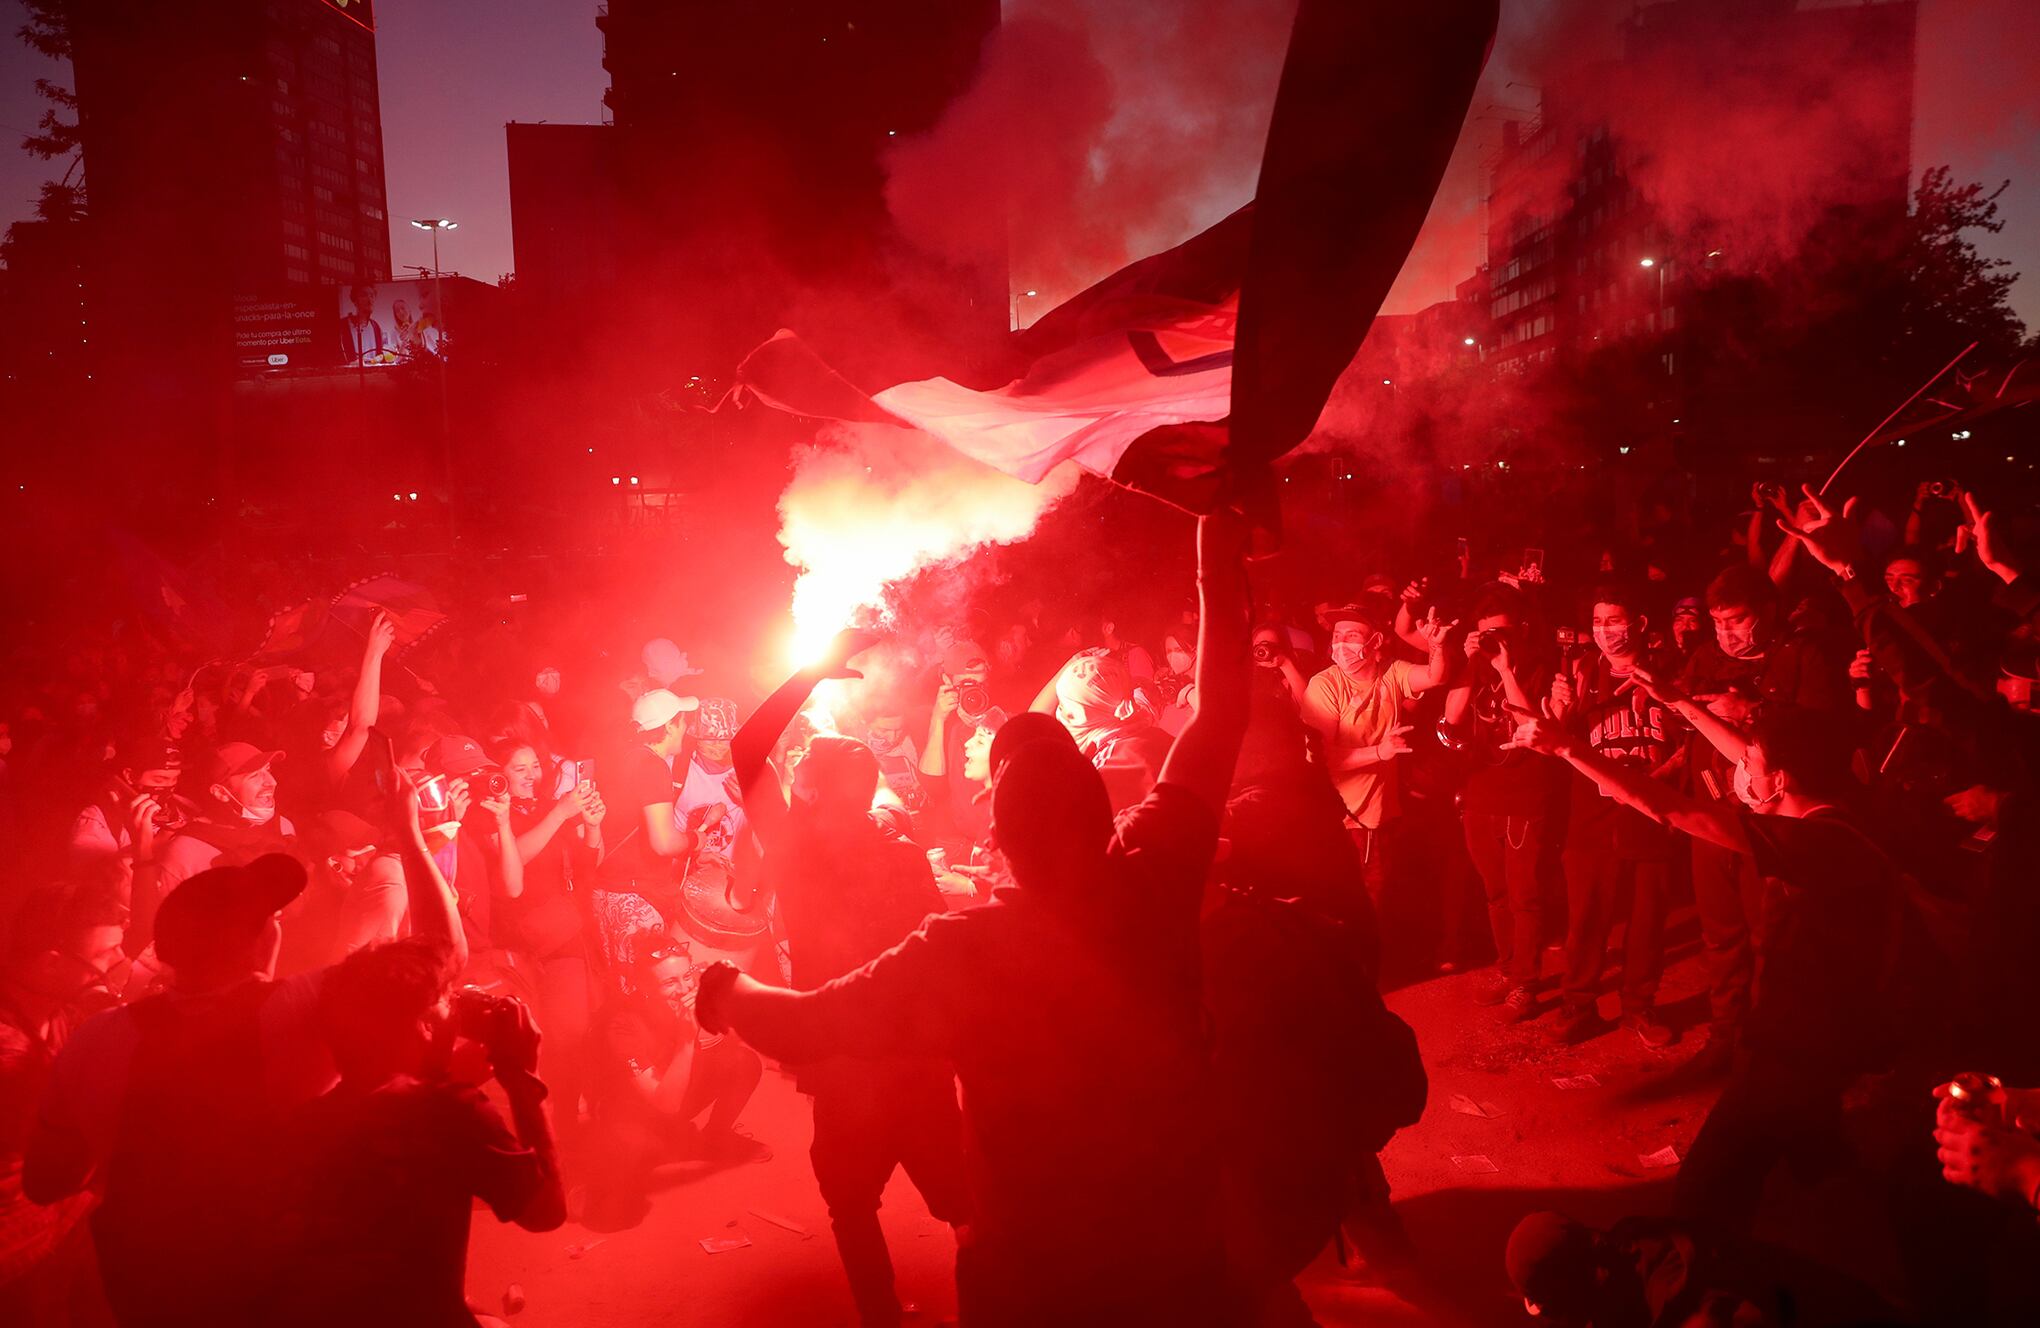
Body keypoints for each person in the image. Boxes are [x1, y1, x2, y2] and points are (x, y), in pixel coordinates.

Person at [697, 506, 1253, 1326]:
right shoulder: (1156, 875)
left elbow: (810, 1024)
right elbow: (1219, 714)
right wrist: (1218, 549)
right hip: (1176, 1246)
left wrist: (724, 990)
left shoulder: (959, 947)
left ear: (995, 837)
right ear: (1105, 815)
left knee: (875, 1207)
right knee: (942, 1203)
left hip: (1034, 1270)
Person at [25, 762, 466, 1326]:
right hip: (273, 1281)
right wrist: (409, 837)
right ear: (260, 938)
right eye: (269, 914)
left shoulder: (96, 1039)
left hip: (149, 1284)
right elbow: (443, 956)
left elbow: (47, 1180)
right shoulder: (296, 1012)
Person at [1511, 703, 1901, 1237]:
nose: (1739, 769)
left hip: (1801, 1043)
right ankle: (1873, 1227)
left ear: (1780, 779)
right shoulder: (1836, 812)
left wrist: (1567, 748)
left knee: (1707, 1188)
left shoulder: (1816, 844)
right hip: (1808, 1034)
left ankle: (1709, 1283)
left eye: (1751, 762)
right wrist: (1680, 700)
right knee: (1817, 1150)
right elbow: (1744, 755)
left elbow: (1667, 809)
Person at [730, 650, 969, 1327]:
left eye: (802, 766)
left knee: (851, 1205)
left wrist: (809, 672)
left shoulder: (793, 849)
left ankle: (881, 1316)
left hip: (844, 1060)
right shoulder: (902, 855)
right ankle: (995, 1298)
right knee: (964, 1203)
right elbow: (936, 955)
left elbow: (747, 748)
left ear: (804, 791)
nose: (795, 767)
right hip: (916, 1054)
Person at [283, 939, 565, 1326]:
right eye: (448, 999)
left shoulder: (305, 1123)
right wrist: (523, 1081)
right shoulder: (451, 1111)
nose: (460, 1011)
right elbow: (545, 1212)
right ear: (424, 1025)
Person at [1674, 562, 1843, 1067]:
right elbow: (1687, 724)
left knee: (1769, 935)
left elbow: (1822, 738)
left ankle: (1769, 1043)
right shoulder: (1704, 656)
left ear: (1768, 612)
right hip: (1713, 812)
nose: (1725, 633)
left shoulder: (1803, 657)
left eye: (1737, 619)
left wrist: (1748, 710)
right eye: (1718, 621)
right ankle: (1725, 1034)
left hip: (1770, 822)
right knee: (1719, 933)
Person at [1545, 584, 1680, 1049]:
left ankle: (1639, 1007)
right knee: (1587, 917)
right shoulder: (1581, 671)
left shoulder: (1671, 670)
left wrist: (1659, 778)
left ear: (1639, 624)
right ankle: (1578, 1004)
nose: (1605, 631)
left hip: (1651, 811)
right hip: (1592, 814)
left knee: (1648, 917)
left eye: (1615, 620)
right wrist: (1560, 709)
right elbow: (1563, 744)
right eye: (1598, 622)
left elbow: (1690, 739)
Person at [581, 934, 768, 1229]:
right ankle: (621, 1170)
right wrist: (686, 1041)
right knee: (625, 1175)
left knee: (744, 1063)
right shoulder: (622, 1024)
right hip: (633, 1116)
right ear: (645, 988)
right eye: (669, 983)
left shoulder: (690, 998)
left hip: (676, 1098)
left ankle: (714, 1138)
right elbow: (664, 1104)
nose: (683, 990)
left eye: (686, 977)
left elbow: (728, 1049)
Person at [1441, 588, 1555, 1021]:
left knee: (1524, 895)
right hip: (1480, 795)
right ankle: (1508, 969)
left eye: (1501, 633)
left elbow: (1536, 726)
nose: (1494, 640)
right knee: (1495, 893)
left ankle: (1526, 982)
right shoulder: (1475, 671)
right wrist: (1471, 662)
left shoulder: (1540, 669)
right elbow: (1450, 720)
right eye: (1486, 633)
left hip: (1525, 796)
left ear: (1521, 631)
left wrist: (1506, 672)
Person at [1299, 596, 1454, 905]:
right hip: (1343, 819)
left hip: (1379, 816)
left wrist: (1436, 647)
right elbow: (1318, 760)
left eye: (1351, 636)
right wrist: (1380, 752)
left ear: (1375, 641)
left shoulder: (1392, 673)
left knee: (1377, 897)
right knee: (1354, 901)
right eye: (1337, 636)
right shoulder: (1325, 685)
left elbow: (1437, 677)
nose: (1341, 644)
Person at [586, 687, 701, 979]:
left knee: (624, 982)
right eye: (682, 721)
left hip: (610, 891)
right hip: (634, 897)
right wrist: (697, 838)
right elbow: (663, 843)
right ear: (669, 726)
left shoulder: (626, 758)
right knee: (650, 987)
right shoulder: (653, 766)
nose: (686, 727)